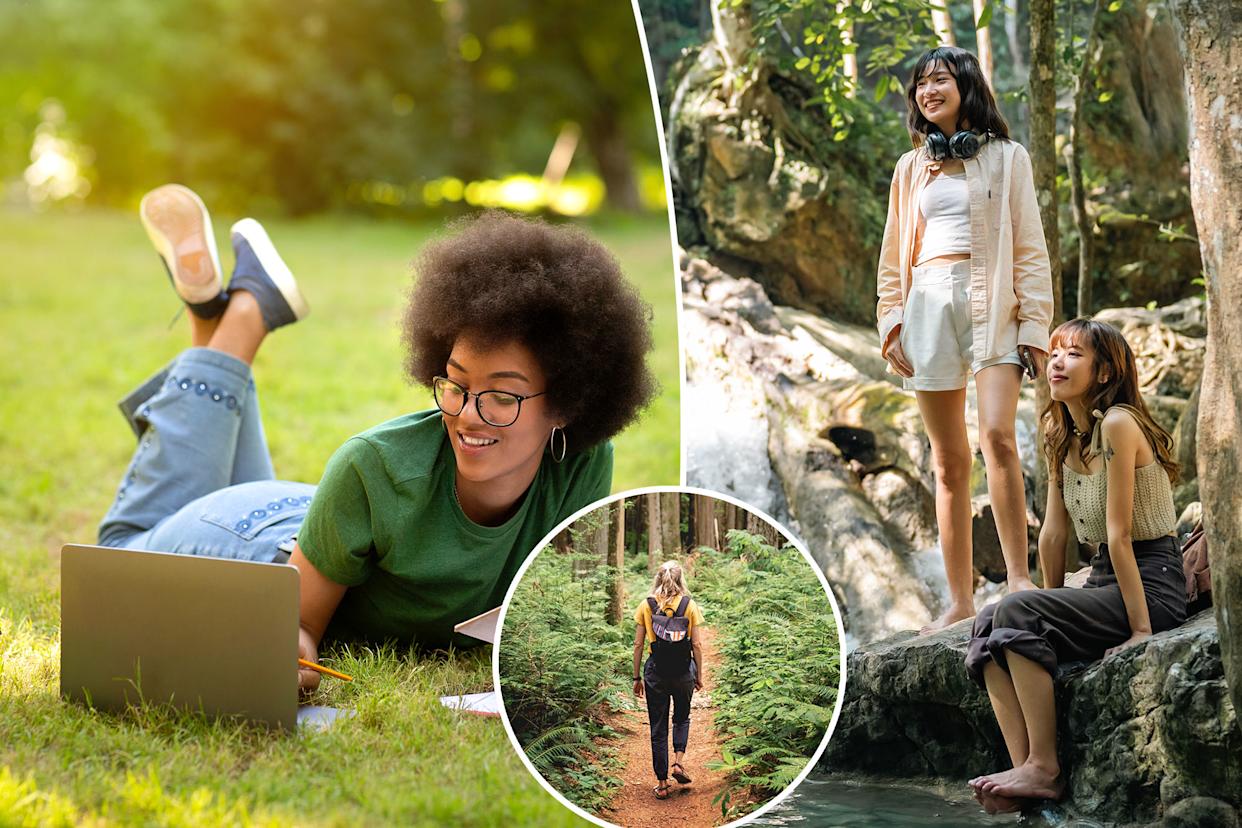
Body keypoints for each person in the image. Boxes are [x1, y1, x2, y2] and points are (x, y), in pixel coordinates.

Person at [98, 184, 658, 691]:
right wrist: (287, 658)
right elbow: (293, 624)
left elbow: (563, 611)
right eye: (456, 385)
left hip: (321, 525)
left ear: (566, 405)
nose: (468, 415)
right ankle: (245, 316)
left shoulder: (583, 463)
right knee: (112, 563)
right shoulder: (376, 465)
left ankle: (210, 319)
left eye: (502, 396)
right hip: (252, 549)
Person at [964, 318, 1186, 813]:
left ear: (1105, 373)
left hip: (1153, 582)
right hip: (1108, 577)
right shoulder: (1060, 433)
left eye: (1075, 354)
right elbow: (1054, 532)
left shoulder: (1119, 424)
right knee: (991, 620)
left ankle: (1044, 767)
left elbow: (1120, 535)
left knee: (1018, 613)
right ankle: (1025, 769)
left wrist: (1141, 628)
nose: (1058, 361)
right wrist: (1047, 601)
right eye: (1055, 352)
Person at [875, 46, 1055, 633]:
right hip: (926, 302)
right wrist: (892, 320)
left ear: (966, 86)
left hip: (992, 303)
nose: (928, 91)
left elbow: (1030, 248)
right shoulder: (910, 168)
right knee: (949, 462)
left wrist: (1034, 328)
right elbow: (892, 255)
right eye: (920, 84)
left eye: (940, 80)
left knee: (999, 436)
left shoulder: (1009, 158)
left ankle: (1020, 579)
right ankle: (958, 600)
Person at [631, 560, 706, 800]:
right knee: (682, 717)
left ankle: (662, 784)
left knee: (658, 726)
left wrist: (636, 677)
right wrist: (699, 675)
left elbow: (638, 645)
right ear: (681, 579)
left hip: (656, 673)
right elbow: (696, 644)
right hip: (683, 671)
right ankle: (678, 763)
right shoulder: (689, 605)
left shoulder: (646, 605)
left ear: (657, 579)